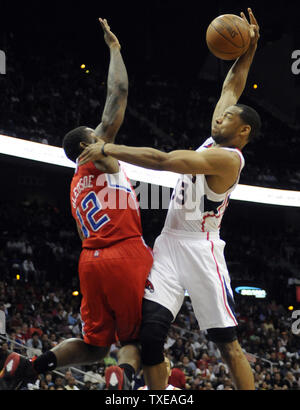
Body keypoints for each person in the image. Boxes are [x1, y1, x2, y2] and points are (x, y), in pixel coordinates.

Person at [78, 8, 260, 390]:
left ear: (242, 131)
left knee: (228, 346)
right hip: (169, 244)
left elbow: (163, 160)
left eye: (227, 119)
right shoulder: (219, 135)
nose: (219, 117)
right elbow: (232, 86)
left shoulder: (226, 158)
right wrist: (248, 50)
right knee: (150, 337)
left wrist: (109, 147)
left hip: (201, 249)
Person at [0, 18, 152, 391]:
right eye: (95, 132)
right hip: (125, 254)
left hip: (90, 261)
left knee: (95, 346)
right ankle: (124, 377)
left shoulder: (76, 181)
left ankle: (29, 367)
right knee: (135, 341)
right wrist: (115, 48)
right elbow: (118, 92)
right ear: (89, 142)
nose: (101, 131)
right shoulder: (97, 154)